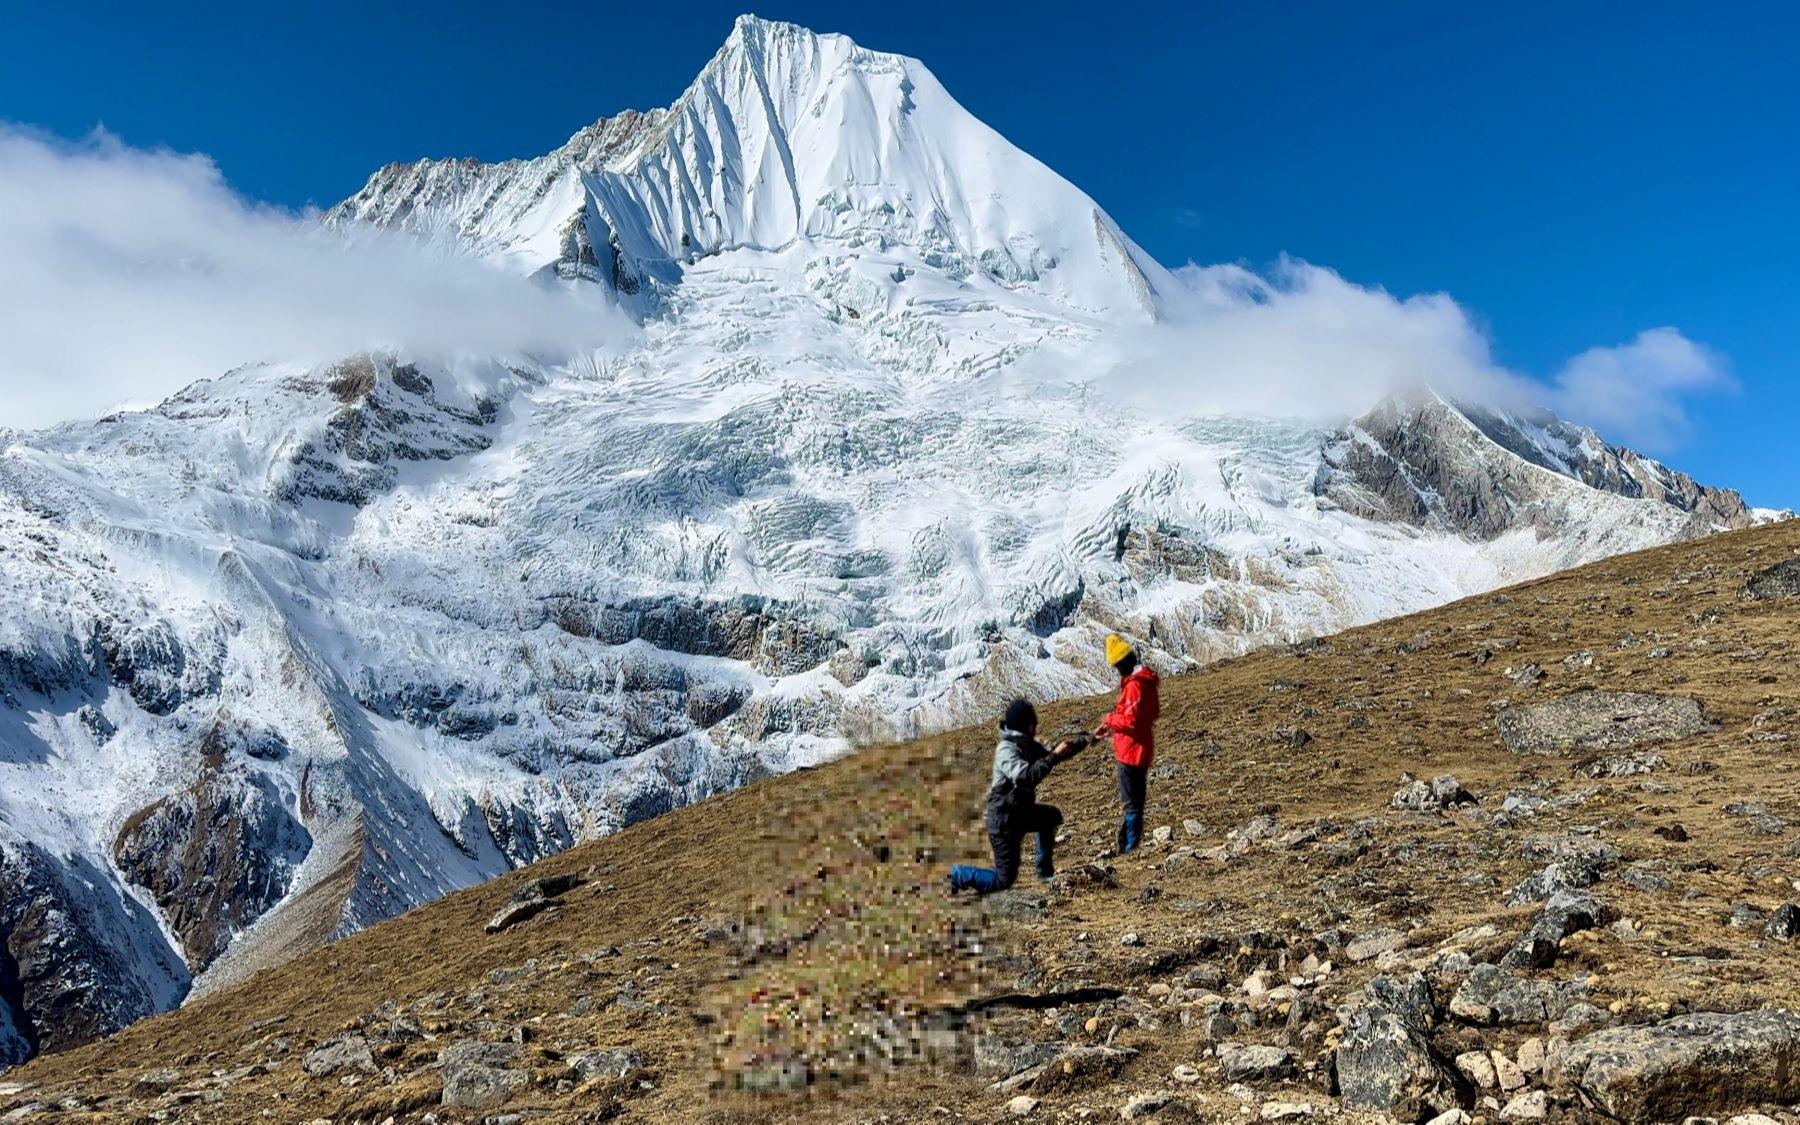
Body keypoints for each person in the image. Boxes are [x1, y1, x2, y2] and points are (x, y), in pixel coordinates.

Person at [949, 699, 1088, 894]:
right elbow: (1025, 777)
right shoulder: (1006, 750)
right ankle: (958, 875)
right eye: (1033, 724)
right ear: (1026, 726)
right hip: (1003, 821)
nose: (1036, 728)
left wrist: (1080, 743)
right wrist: (1054, 756)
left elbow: (1050, 755)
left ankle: (1044, 870)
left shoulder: (1028, 746)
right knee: (1003, 880)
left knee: (1050, 816)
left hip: (1019, 813)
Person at [1093, 634, 1160, 854]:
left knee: (1131, 803)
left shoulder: (1134, 687)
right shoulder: (1147, 683)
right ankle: (1129, 843)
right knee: (1136, 802)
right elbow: (1147, 714)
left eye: (1116, 666)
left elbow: (1130, 720)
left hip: (1130, 752)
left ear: (1123, 663)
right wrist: (1110, 725)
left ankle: (1130, 846)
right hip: (1142, 749)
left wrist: (1109, 720)